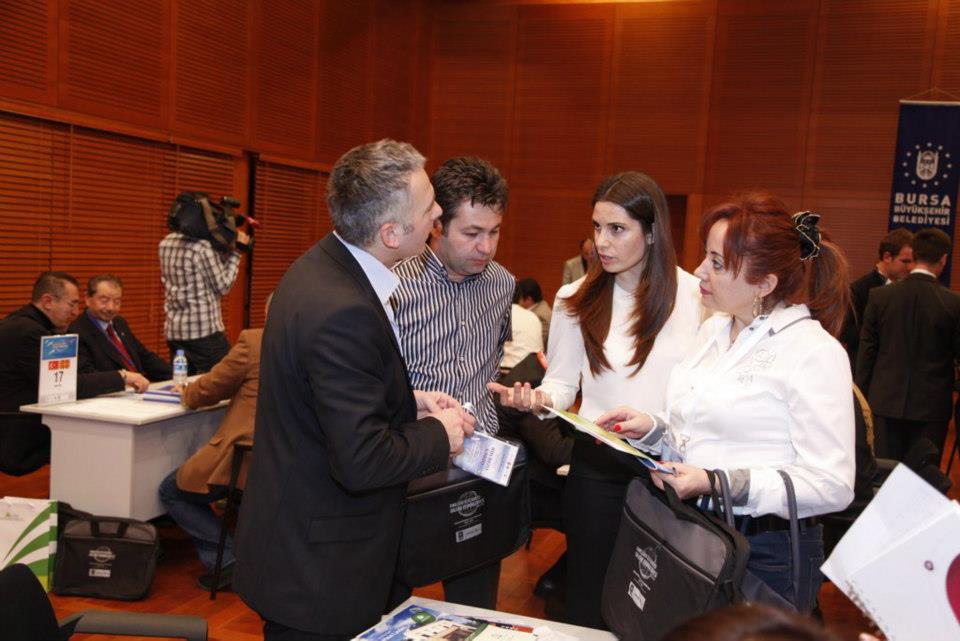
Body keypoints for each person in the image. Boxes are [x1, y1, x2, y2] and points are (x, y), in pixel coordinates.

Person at [233, 139, 474, 641]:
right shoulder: (343, 309)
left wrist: (407, 402)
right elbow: (362, 460)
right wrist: (441, 432)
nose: (438, 213)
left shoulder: (322, 266)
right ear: (390, 232)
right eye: (428, 206)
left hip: (306, 546)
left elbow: (323, 399)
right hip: (322, 573)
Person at [596, 194, 855, 612]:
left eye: (717, 263)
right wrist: (653, 429)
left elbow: (833, 485)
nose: (700, 270)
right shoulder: (714, 331)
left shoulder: (813, 352)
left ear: (764, 284)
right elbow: (702, 431)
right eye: (706, 257)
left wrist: (716, 482)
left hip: (763, 551)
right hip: (696, 529)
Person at [491, 171, 703, 627]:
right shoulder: (575, 297)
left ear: (651, 232)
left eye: (617, 229)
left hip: (669, 467)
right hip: (598, 465)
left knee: (661, 606)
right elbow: (562, 386)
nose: (601, 242)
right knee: (591, 598)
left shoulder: (694, 295)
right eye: (597, 227)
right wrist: (535, 399)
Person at [391, 156, 513, 608]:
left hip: (478, 465)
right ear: (437, 224)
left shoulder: (502, 285)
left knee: (475, 604)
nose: (486, 247)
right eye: (472, 233)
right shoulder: (394, 286)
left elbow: (493, 360)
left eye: (494, 232)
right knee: (391, 598)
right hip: (411, 461)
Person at [158, 296, 271, 592]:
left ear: (268, 312)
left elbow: (210, 388)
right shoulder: (313, 347)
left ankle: (227, 561)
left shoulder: (255, 342)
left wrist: (187, 392)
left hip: (244, 454)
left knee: (172, 491)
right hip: (281, 458)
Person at [0, 272, 148, 473]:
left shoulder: (28, 324)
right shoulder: (29, 333)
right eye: (72, 304)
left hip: (24, 420)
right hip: (18, 431)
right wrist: (122, 376)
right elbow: (69, 386)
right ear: (48, 301)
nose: (76, 311)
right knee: (100, 437)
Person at [856, 227, 960, 461]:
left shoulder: (879, 297)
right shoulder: (953, 303)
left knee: (883, 472)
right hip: (931, 407)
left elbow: (866, 355)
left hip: (883, 402)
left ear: (914, 257)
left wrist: (860, 402)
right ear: (944, 259)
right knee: (922, 474)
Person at [159, 212, 249, 374]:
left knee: (183, 384)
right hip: (204, 332)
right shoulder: (202, 248)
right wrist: (237, 251)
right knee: (225, 380)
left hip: (175, 332)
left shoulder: (166, 243)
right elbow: (223, 285)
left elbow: (197, 275)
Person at [69, 274, 170, 382]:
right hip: (114, 390)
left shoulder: (119, 322)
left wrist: (178, 374)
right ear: (87, 299)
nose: (111, 308)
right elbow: (88, 377)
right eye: (104, 301)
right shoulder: (77, 331)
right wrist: (125, 379)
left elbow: (144, 357)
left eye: (117, 301)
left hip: (139, 386)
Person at [840, 228, 913, 365]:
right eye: (905, 261)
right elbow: (845, 331)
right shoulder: (858, 289)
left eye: (912, 262)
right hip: (867, 367)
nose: (910, 267)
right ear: (887, 257)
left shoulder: (912, 290)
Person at [516, 277, 551, 346]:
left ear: (529, 299)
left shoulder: (542, 317)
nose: (517, 301)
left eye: (519, 298)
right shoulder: (539, 306)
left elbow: (534, 344)